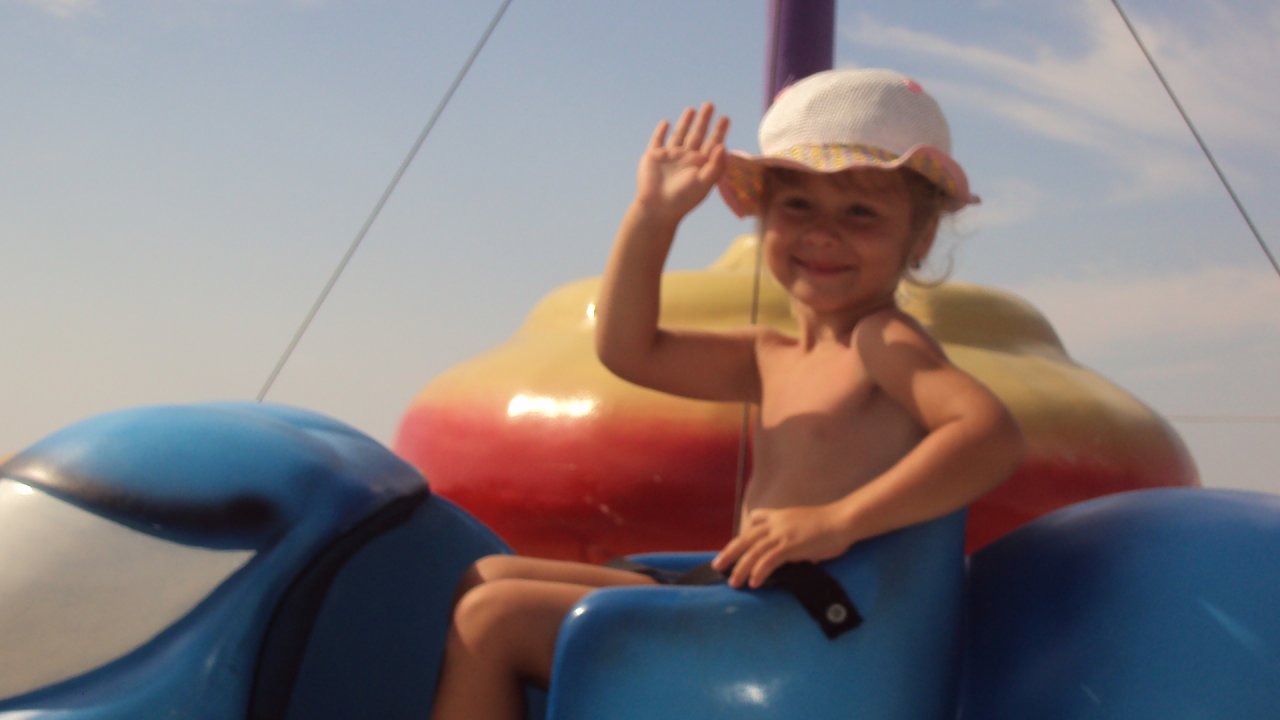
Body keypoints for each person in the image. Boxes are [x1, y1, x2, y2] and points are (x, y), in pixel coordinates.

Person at [429, 68, 1025, 720]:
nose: (823, 233)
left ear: (920, 237)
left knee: (495, 619)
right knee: (486, 577)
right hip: (757, 598)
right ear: (764, 217)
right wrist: (653, 217)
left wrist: (837, 521)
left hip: (818, 629)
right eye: (797, 205)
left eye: (860, 212)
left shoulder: (880, 340)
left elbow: (988, 436)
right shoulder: (771, 354)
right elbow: (628, 349)